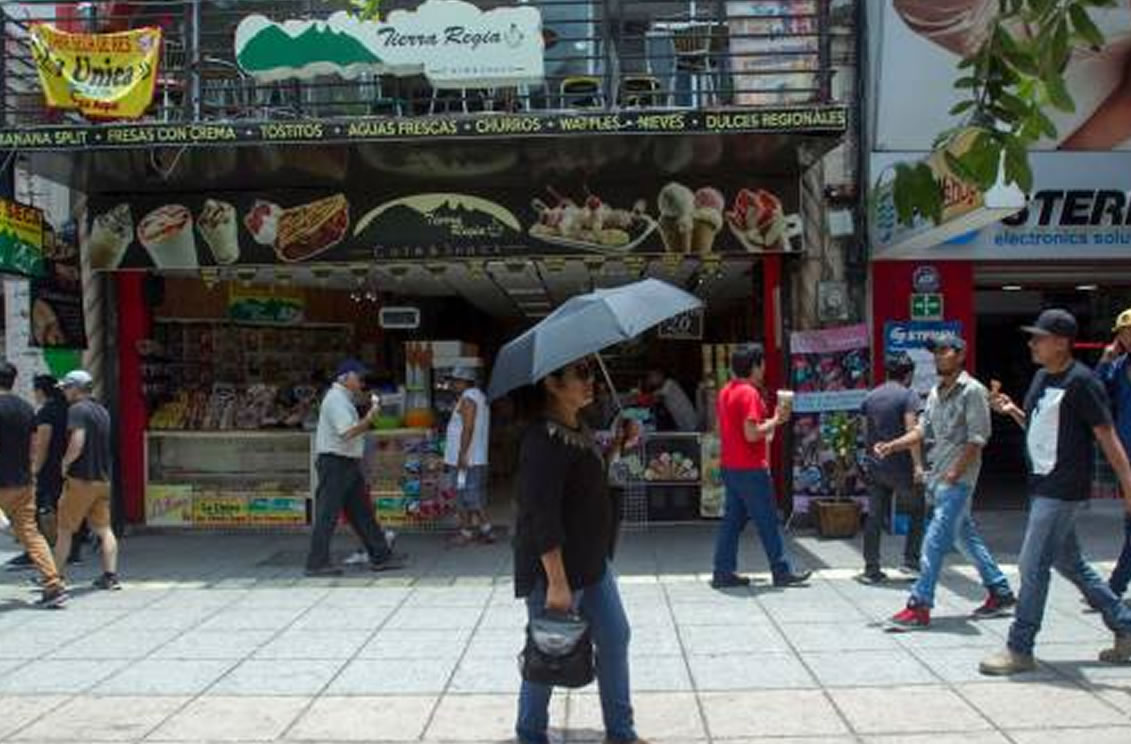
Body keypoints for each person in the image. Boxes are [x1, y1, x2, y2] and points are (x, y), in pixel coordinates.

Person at [980, 309, 1131, 674]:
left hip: (1063, 488)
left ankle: (1020, 647)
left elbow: (1107, 437)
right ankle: (1125, 626)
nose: (1032, 344)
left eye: (1039, 338)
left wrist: (1128, 487)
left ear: (1061, 342)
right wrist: (1012, 410)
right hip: (1041, 483)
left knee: (1032, 565)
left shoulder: (1083, 382)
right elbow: (1039, 428)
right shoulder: (1042, 378)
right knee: (1071, 563)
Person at [513, 356, 648, 744]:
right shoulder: (541, 440)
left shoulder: (576, 427)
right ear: (552, 384)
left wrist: (618, 444)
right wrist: (557, 583)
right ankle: (530, 733)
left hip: (591, 563)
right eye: (581, 375)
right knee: (549, 649)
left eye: (591, 373)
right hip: (557, 570)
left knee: (615, 636)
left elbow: (586, 481)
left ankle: (621, 732)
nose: (591, 382)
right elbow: (541, 514)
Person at [876, 333, 1015, 631]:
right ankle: (1000, 591)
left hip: (957, 481)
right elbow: (922, 430)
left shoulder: (973, 391)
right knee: (965, 538)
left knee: (934, 541)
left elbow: (978, 438)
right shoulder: (936, 393)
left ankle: (920, 605)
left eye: (944, 351)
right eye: (935, 352)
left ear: (960, 355)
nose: (938, 356)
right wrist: (893, 445)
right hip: (938, 478)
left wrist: (955, 473)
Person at [711, 343, 810, 590]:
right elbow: (752, 434)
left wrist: (768, 425)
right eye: (762, 363)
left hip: (730, 465)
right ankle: (781, 570)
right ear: (754, 366)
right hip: (750, 467)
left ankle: (722, 571)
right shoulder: (749, 393)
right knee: (767, 521)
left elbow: (722, 429)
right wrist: (776, 420)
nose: (764, 368)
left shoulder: (726, 391)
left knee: (732, 522)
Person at [306, 359, 405, 577]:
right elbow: (347, 432)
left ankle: (381, 556)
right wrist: (369, 418)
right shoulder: (336, 399)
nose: (362, 381)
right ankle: (316, 563)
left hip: (346, 462)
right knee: (327, 514)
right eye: (358, 376)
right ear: (344, 378)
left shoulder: (343, 398)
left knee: (362, 512)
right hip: (336, 462)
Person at [0, 361, 67, 607]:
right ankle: (53, 584)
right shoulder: (27, 408)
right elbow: (34, 445)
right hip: (23, 482)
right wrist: (32, 472)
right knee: (31, 533)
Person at [858, 352, 927, 584]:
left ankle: (871, 568)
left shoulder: (870, 397)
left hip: (876, 466)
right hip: (902, 467)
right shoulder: (909, 396)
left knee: (875, 517)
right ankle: (911, 562)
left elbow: (865, 432)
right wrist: (918, 466)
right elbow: (912, 430)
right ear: (909, 374)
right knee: (918, 511)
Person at [53, 369, 120, 590]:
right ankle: (110, 576)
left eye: (66, 388)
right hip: (102, 479)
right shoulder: (102, 411)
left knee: (64, 529)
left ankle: (55, 578)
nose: (64, 392)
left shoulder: (77, 410)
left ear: (76, 388)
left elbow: (78, 440)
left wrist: (65, 463)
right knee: (104, 529)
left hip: (81, 479)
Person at [1098, 308, 1131, 599]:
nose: (1127, 337)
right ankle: (1116, 584)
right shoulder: (1118, 367)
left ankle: (1116, 585)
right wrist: (1105, 360)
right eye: (1124, 333)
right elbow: (1097, 394)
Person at [444, 367, 494, 546]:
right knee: (472, 495)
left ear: (465, 382)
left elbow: (468, 427)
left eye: (455, 381)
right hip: (474, 457)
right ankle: (484, 530)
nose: (452, 384)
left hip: (467, 459)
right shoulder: (479, 397)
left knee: (464, 495)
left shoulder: (468, 398)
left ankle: (469, 532)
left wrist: (462, 454)